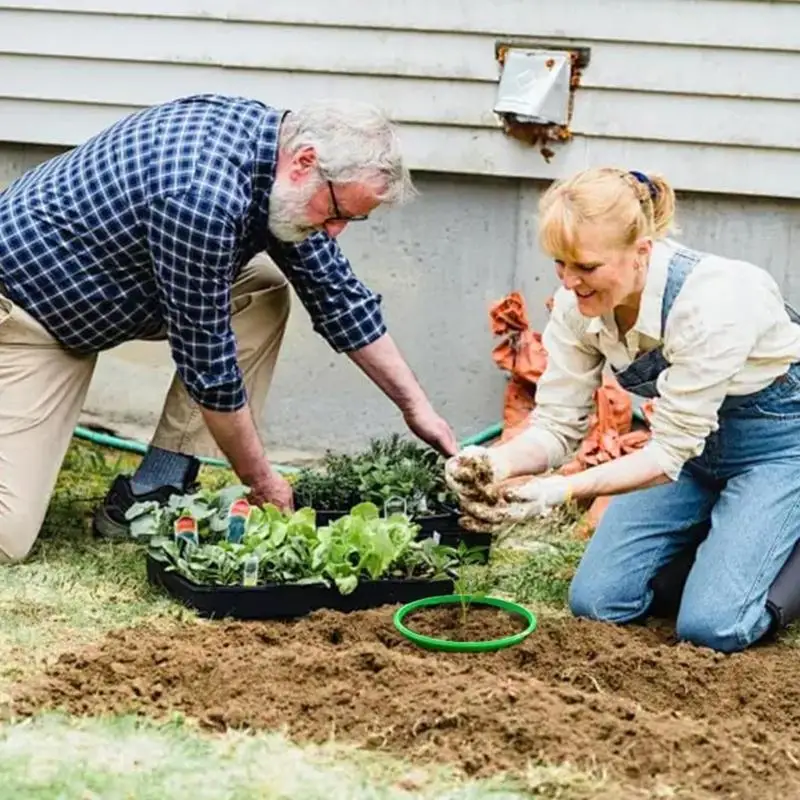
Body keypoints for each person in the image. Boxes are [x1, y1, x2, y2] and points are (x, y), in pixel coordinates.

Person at [0, 92, 457, 560]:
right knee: (6, 538)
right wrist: (262, 482)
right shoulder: (201, 194)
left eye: (353, 219)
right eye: (339, 213)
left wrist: (417, 409)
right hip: (26, 316)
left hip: (100, 296)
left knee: (261, 290)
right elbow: (210, 368)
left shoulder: (278, 165)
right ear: (305, 162)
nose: (337, 230)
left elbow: (337, 294)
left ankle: (153, 489)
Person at [446, 166, 800, 653]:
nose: (570, 282)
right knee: (598, 601)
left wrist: (561, 489)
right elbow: (556, 425)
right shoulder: (578, 308)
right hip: (695, 455)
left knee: (712, 626)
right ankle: (727, 547)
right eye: (560, 263)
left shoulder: (715, 301)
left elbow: (666, 455)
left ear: (642, 253)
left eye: (587, 267)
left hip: (779, 450)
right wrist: (494, 463)